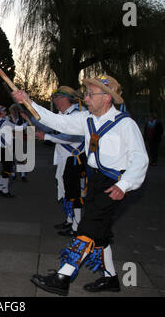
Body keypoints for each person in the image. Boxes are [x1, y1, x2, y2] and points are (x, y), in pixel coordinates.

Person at [12, 74, 148, 296]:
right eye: (86, 94)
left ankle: (63, 277)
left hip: (114, 182)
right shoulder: (87, 119)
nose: (85, 98)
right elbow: (56, 121)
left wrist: (124, 185)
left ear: (107, 98)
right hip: (95, 179)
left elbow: (140, 159)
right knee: (100, 234)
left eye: (90, 94)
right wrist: (28, 102)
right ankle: (111, 279)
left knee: (88, 227)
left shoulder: (125, 125)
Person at [23, 86, 87, 237]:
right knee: (65, 189)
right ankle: (70, 219)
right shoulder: (63, 114)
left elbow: (72, 138)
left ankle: (77, 226)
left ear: (64, 98)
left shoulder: (79, 114)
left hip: (74, 159)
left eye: (56, 98)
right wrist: (29, 115)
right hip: (64, 158)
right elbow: (46, 125)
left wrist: (47, 137)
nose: (54, 101)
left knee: (74, 192)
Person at [0, 104, 27, 197]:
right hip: (4, 148)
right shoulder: (4, 122)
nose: (5, 112)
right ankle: (5, 191)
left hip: (1, 148)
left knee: (5, 168)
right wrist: (28, 121)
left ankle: (0, 188)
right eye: (3, 111)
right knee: (7, 169)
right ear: (0, 113)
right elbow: (18, 128)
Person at [9, 104, 28, 182]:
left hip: (19, 139)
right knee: (11, 157)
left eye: (16, 110)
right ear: (11, 110)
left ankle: (23, 174)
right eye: (14, 110)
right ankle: (13, 173)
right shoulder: (8, 118)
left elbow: (25, 126)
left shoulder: (22, 118)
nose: (15, 111)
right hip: (10, 140)